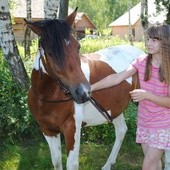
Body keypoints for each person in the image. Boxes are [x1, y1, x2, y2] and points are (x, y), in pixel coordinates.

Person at [91, 24, 170, 170]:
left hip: (163, 125)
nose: (149, 43)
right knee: (154, 163)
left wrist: (147, 96)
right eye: (148, 39)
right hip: (145, 121)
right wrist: (91, 88)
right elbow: (116, 78)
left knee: (147, 166)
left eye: (154, 40)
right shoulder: (141, 61)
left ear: (165, 42)